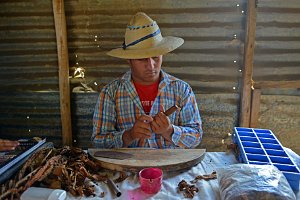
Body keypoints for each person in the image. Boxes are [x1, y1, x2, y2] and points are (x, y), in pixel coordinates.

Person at [92, 12, 203, 149]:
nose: (151, 65)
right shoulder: (111, 92)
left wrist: (169, 131)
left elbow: (196, 136)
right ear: (129, 59)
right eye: (142, 59)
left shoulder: (181, 89)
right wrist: (129, 135)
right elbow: (97, 141)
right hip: (126, 169)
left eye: (156, 57)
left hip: (170, 167)